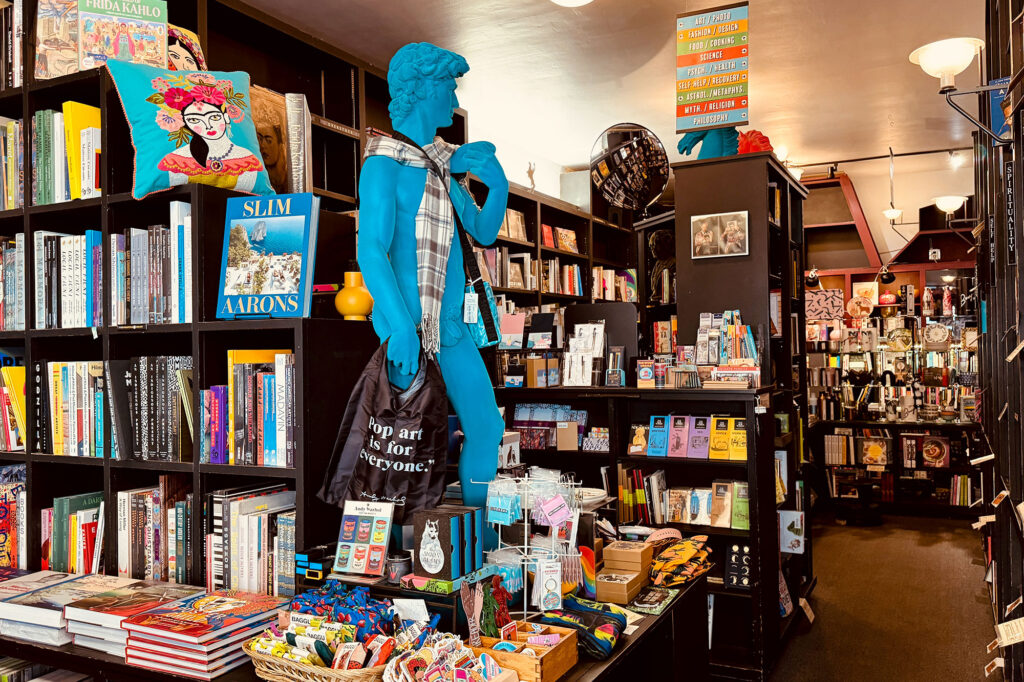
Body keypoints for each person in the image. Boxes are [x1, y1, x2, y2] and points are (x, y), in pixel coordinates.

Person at [358, 42, 509, 511]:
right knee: (401, 440)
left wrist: (499, 186)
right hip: (408, 323)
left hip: (451, 327)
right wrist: (401, 327)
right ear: (422, 88)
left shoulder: (442, 166)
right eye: (448, 86)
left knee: (486, 427)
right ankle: (392, 542)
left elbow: (483, 231)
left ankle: (479, 535)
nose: (454, 99)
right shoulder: (384, 162)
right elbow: (370, 250)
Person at [158, 94, 263, 192]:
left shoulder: (247, 160)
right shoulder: (177, 160)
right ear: (185, 124)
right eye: (194, 120)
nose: (208, 126)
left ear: (226, 118)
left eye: (214, 117)